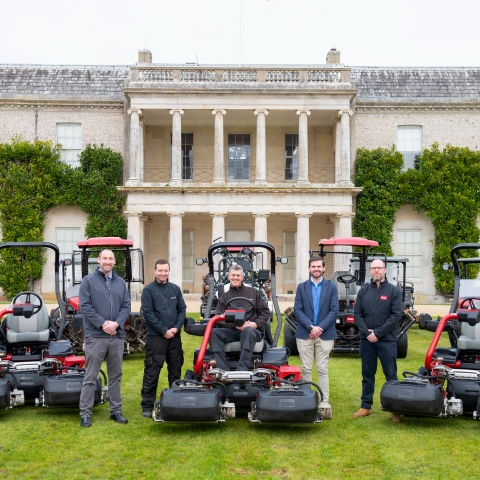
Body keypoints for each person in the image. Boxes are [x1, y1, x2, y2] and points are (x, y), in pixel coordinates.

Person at [79, 249, 131, 428]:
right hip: (96, 336)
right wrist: (103, 324)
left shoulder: (120, 283)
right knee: (91, 375)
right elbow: (85, 307)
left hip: (116, 337)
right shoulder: (88, 281)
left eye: (110, 259)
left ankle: (116, 411)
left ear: (114, 262)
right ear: (98, 260)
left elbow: (126, 306)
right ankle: (85, 413)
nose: (107, 261)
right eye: (104, 258)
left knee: (115, 375)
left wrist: (116, 324)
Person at [353, 258, 403, 422]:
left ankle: (395, 409)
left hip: (387, 341)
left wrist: (378, 333)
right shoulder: (363, 292)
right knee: (367, 374)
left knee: (391, 375)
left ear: (385, 270)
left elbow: (395, 315)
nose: (376, 271)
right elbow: (358, 315)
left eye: (379, 268)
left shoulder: (394, 291)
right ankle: (365, 406)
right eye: (373, 268)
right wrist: (367, 333)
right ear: (370, 271)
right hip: (366, 340)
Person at [294, 256, 339, 420]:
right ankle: (307, 400)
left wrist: (319, 328)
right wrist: (310, 327)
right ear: (309, 268)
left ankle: (324, 401)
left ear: (324, 268)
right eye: (313, 266)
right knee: (305, 368)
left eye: (319, 266)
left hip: (325, 334)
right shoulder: (301, 287)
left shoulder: (331, 288)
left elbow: (334, 311)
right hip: (305, 333)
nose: (316, 269)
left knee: (322, 368)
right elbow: (297, 310)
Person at [140, 259, 186, 418]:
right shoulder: (148, 291)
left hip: (174, 337)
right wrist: (164, 330)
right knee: (152, 372)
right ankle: (147, 405)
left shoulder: (175, 289)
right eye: (160, 270)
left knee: (175, 371)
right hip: (156, 338)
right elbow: (149, 314)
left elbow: (182, 310)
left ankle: (174, 401)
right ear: (155, 271)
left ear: (169, 271)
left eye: (165, 270)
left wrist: (176, 328)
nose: (163, 273)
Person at [210, 263, 270, 371]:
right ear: (229, 277)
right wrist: (236, 326)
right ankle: (223, 370)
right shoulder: (224, 297)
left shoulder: (254, 293)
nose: (235, 278)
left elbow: (265, 312)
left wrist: (255, 324)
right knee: (214, 333)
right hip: (233, 330)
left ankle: (242, 370)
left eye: (238, 275)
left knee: (248, 331)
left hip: (252, 330)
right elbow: (218, 317)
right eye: (233, 275)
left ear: (242, 277)